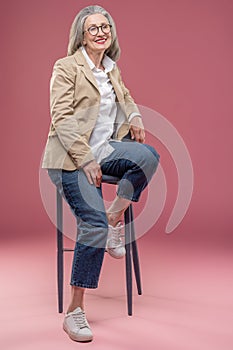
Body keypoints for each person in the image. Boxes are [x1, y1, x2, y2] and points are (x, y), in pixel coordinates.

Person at [42, 5, 160, 343]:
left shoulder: (111, 68)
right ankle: (74, 311)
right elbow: (61, 116)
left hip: (106, 150)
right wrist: (85, 159)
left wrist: (135, 118)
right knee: (90, 222)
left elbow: (127, 97)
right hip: (69, 159)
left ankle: (113, 220)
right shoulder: (66, 67)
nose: (100, 32)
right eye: (93, 28)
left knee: (148, 157)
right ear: (81, 34)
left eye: (105, 27)